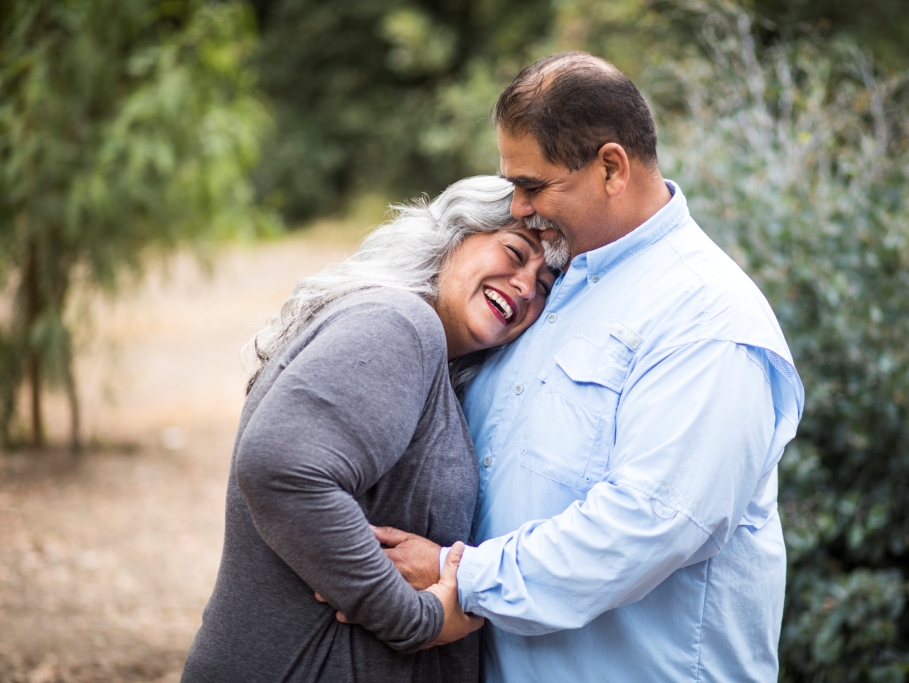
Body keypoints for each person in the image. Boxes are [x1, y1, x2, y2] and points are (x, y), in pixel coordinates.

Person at [365, 52, 806, 682]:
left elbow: (650, 522)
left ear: (611, 168)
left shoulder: (707, 318)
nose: (518, 207)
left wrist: (457, 575)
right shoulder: (547, 285)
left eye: (533, 185)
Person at [181, 175, 558, 683]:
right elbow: (281, 468)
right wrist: (418, 620)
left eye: (545, 285)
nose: (526, 286)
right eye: (515, 252)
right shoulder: (400, 323)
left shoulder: (426, 352)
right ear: (453, 236)